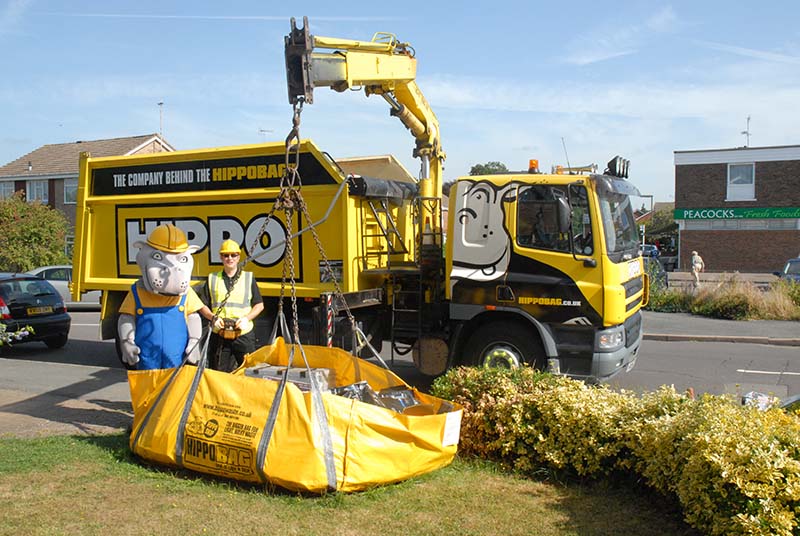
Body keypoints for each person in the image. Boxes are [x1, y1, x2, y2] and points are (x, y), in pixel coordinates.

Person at [198, 239, 264, 372]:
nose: (230, 258)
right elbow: (202, 305)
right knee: (219, 373)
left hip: (243, 334)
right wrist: (213, 318)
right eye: (226, 255)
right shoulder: (212, 278)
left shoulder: (248, 278)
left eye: (233, 255)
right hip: (220, 334)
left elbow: (259, 305)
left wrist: (247, 318)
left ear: (238, 256)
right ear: (221, 257)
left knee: (249, 371)